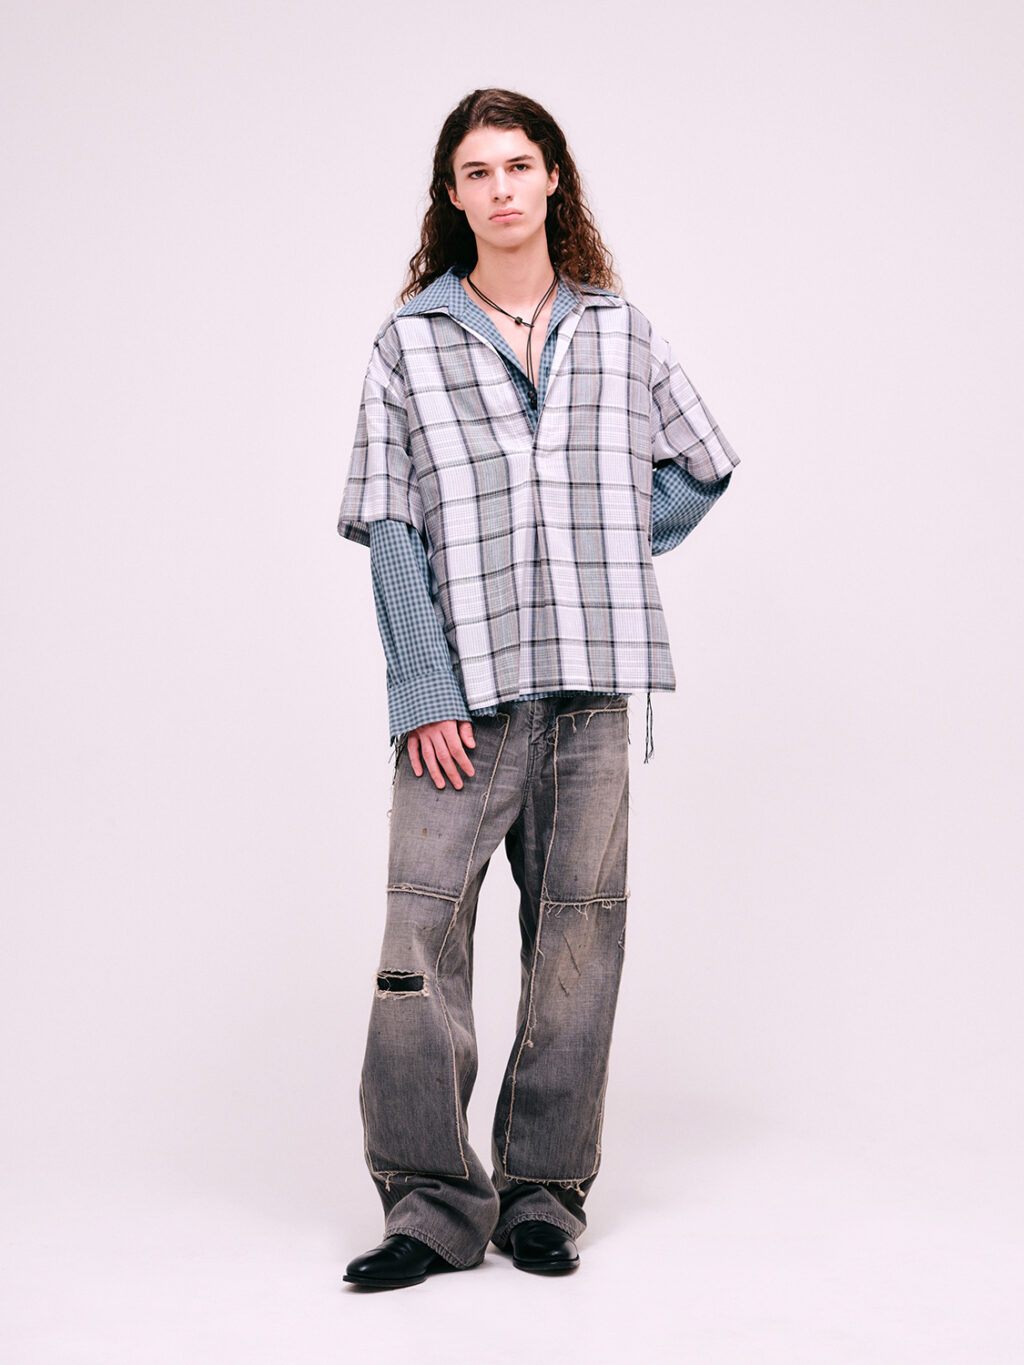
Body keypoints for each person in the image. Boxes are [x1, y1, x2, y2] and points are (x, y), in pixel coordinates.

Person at [336, 88, 740, 1290]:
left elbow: (703, 464)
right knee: (419, 940)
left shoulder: (618, 329)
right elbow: (389, 524)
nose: (501, 188)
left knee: (577, 939)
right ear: (452, 195)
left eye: (519, 165)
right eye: (478, 171)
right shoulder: (408, 342)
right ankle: (428, 1205)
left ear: (553, 178)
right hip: (459, 697)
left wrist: (603, 546)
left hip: (592, 687)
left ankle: (543, 1196)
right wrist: (422, 686)